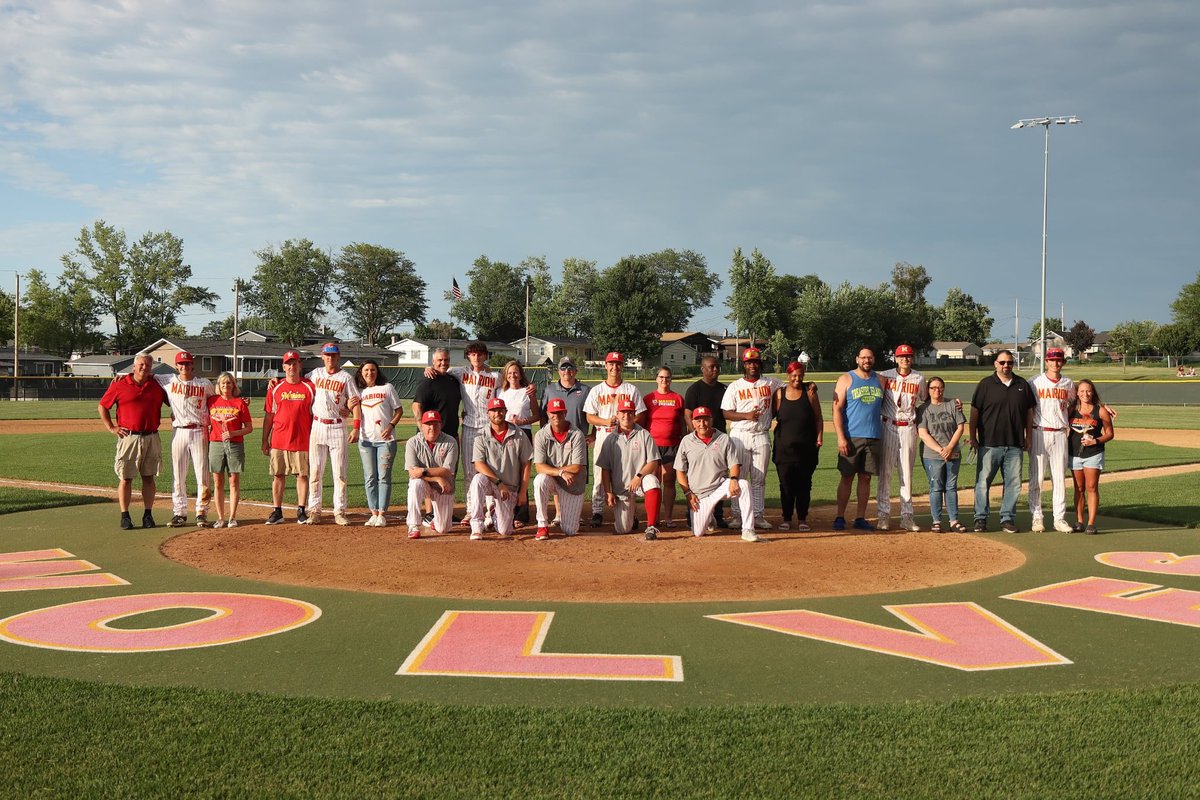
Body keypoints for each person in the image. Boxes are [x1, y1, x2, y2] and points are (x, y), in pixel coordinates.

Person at [98, 352, 170, 530]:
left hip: (152, 436)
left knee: (149, 477)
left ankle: (148, 514)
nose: (144, 368)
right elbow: (102, 406)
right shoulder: (120, 385)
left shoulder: (158, 385)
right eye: (141, 365)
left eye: (148, 365)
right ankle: (125, 516)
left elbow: (175, 399)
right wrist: (111, 427)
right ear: (134, 366)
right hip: (128, 436)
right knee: (126, 478)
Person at [968, 350, 1035, 533]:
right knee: (983, 483)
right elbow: (975, 412)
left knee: (1013, 483)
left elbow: (1029, 412)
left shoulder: (1022, 384)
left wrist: (1028, 436)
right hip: (989, 443)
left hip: (1014, 444)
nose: (1006, 366)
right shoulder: (986, 384)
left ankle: (1007, 518)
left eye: (1010, 363)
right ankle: (980, 518)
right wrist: (973, 436)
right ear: (995, 364)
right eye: (1003, 362)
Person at [674, 406, 764, 542]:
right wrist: (687, 493)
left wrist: (733, 479)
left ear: (711, 420)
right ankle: (710, 517)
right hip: (699, 495)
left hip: (720, 486)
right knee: (698, 532)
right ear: (693, 423)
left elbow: (734, 464)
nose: (702, 424)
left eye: (705, 420)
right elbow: (680, 471)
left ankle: (748, 529)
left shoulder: (723, 438)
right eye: (698, 421)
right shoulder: (686, 441)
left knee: (744, 484)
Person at [721, 348, 783, 530]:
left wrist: (808, 385)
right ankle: (738, 516)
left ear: (760, 364)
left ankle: (758, 515)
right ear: (744, 365)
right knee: (738, 477)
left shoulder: (770, 382)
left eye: (755, 362)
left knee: (759, 478)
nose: (752, 365)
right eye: (749, 363)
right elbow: (726, 413)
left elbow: (788, 386)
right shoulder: (735, 386)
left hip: (761, 434)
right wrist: (746, 415)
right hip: (740, 435)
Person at [584, 352, 646, 527]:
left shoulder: (630, 389)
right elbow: (589, 417)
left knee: (626, 473)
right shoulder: (597, 390)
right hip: (604, 434)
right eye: (611, 363)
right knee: (599, 473)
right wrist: (605, 421)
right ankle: (597, 511)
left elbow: (641, 413)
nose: (614, 367)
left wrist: (628, 424)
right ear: (605, 365)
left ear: (622, 366)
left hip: (625, 435)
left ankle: (630, 511)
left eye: (618, 364)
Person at [304, 342, 362, 526]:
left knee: (340, 473)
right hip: (318, 426)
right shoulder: (314, 374)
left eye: (333, 355)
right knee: (315, 472)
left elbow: (355, 402)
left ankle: (340, 511)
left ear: (339, 357)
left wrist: (355, 426)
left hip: (338, 427)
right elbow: (296, 382)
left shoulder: (346, 377)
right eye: (327, 355)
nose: (330, 358)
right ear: (322, 356)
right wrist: (276, 381)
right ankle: (314, 510)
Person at [159, 351, 215, 528]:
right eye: (181, 364)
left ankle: (201, 512)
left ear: (193, 365)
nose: (184, 367)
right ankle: (180, 512)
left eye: (187, 364)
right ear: (176, 366)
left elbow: (215, 401)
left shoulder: (204, 384)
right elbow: (143, 375)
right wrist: (123, 378)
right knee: (178, 475)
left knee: (203, 475)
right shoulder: (168, 380)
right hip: (179, 432)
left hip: (199, 431)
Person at [876, 344, 927, 532]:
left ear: (911, 358)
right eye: (901, 356)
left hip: (908, 428)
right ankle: (883, 515)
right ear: (895, 358)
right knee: (885, 473)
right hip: (888, 425)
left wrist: (950, 402)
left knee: (906, 474)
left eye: (908, 356)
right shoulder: (885, 375)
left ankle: (907, 516)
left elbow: (926, 399)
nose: (905, 359)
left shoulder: (919, 378)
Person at [832, 347, 884, 532]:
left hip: (874, 435)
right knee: (847, 476)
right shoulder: (846, 379)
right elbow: (837, 409)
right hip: (852, 436)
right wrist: (841, 437)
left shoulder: (880, 380)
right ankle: (840, 516)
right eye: (863, 357)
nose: (866, 360)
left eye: (869, 357)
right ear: (857, 359)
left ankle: (860, 517)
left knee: (866, 478)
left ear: (874, 359)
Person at [467, 397, 533, 540]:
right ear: (488, 413)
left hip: (510, 488)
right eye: (494, 410)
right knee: (478, 479)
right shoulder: (481, 435)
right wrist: (498, 483)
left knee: (505, 531)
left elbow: (526, 464)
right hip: (491, 482)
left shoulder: (519, 434)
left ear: (505, 411)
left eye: (500, 410)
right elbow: (478, 464)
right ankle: (477, 525)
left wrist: (522, 493)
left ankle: (493, 513)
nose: (497, 413)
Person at [261, 350, 315, 525]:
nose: (291, 367)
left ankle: (301, 510)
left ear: (300, 366)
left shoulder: (310, 387)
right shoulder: (275, 387)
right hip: (279, 440)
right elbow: (269, 416)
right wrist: (264, 440)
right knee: (278, 475)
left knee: (302, 476)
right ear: (283, 367)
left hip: (302, 439)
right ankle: (277, 511)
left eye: (294, 363)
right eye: (288, 364)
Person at [597, 397, 663, 540]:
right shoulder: (610, 439)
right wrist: (608, 492)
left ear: (634, 415)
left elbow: (653, 462)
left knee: (652, 481)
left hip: (640, 482)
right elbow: (605, 469)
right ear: (618, 414)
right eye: (623, 412)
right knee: (623, 529)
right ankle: (632, 517)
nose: (626, 416)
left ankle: (651, 526)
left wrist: (639, 477)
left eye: (630, 413)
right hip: (621, 490)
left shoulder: (644, 434)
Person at [1028, 347, 1076, 533]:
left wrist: (1065, 421)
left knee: (1059, 479)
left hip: (1059, 434)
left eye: (1059, 360)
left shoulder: (1068, 383)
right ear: (1046, 361)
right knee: (1037, 479)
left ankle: (1059, 518)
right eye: (1051, 360)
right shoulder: (1034, 382)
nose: (1055, 363)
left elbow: (1072, 404)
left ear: (1063, 362)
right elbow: (1028, 409)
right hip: (1039, 431)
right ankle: (1037, 517)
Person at [771, 359, 822, 531]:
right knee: (785, 485)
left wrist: (819, 438)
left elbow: (818, 418)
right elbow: (770, 415)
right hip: (783, 449)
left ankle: (802, 518)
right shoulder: (779, 394)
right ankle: (786, 518)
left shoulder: (810, 393)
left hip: (806, 448)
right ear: (788, 375)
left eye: (800, 376)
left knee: (804, 484)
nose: (797, 379)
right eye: (794, 375)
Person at [683, 354, 731, 529]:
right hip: (699, 440)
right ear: (702, 369)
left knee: (719, 476)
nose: (715, 369)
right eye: (711, 367)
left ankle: (717, 515)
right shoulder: (694, 389)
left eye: (717, 366)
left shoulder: (724, 389)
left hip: (718, 439)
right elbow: (688, 414)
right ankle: (691, 511)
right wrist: (696, 433)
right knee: (695, 477)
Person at [532, 398, 588, 539]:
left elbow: (577, 467)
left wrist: (554, 470)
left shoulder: (576, 434)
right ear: (548, 413)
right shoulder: (541, 435)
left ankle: (565, 514)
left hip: (572, 484)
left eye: (559, 412)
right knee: (540, 480)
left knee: (570, 530)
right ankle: (542, 525)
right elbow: (539, 467)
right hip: (554, 478)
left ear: (565, 413)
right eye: (553, 413)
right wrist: (561, 472)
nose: (556, 416)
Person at [916, 376, 967, 533]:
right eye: (933, 388)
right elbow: (923, 434)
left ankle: (954, 520)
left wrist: (950, 447)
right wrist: (941, 450)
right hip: (932, 454)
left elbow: (960, 427)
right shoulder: (923, 409)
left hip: (953, 453)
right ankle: (936, 521)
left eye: (939, 387)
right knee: (936, 487)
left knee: (951, 487)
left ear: (943, 389)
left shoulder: (952, 404)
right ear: (928, 390)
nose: (936, 390)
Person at [357, 359, 404, 527]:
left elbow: (399, 410)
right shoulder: (359, 391)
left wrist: (391, 425)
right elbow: (350, 409)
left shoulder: (387, 388)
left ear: (377, 372)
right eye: (366, 370)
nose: (370, 373)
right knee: (370, 477)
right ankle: (373, 513)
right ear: (361, 373)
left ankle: (382, 513)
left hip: (386, 441)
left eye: (373, 370)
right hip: (366, 441)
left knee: (383, 477)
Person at [206, 372, 252, 529]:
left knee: (233, 481)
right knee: (218, 482)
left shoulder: (240, 403)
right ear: (218, 385)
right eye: (223, 383)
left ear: (234, 385)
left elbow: (249, 428)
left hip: (234, 444)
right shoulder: (212, 401)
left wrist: (234, 433)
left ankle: (232, 517)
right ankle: (220, 517)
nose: (226, 386)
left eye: (229, 383)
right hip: (216, 444)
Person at [498, 359, 541, 526]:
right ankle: (506, 511)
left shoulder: (528, 391)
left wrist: (522, 422)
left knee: (523, 471)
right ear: (505, 375)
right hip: (506, 433)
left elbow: (537, 416)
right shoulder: (501, 393)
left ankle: (521, 514)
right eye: (509, 373)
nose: (512, 375)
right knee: (508, 472)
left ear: (521, 374)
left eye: (515, 372)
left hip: (524, 432)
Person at [1069, 379, 1115, 534]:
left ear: (1093, 392)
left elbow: (1110, 434)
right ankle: (1079, 521)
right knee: (1079, 488)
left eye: (1088, 391)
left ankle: (1091, 523)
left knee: (1091, 487)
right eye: (1081, 391)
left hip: (1093, 453)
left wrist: (1095, 441)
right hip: (1075, 453)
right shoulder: (1071, 409)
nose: (1085, 394)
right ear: (1077, 393)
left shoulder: (1100, 410)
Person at [404, 410, 459, 539]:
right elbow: (412, 473)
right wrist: (436, 477)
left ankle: (435, 521)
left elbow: (447, 470)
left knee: (444, 529)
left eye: (435, 424)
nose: (432, 428)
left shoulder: (450, 442)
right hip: (426, 483)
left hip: (443, 487)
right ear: (422, 426)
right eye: (428, 424)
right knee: (415, 483)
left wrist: (423, 471)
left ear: (441, 425)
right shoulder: (413, 442)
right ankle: (413, 525)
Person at [645, 366, 686, 528]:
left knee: (669, 481)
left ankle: (668, 517)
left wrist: (684, 439)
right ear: (656, 379)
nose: (664, 380)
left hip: (672, 445)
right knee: (654, 481)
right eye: (661, 377)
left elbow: (682, 422)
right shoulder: (649, 398)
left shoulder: (677, 398)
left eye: (667, 377)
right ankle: (653, 518)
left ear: (671, 379)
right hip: (653, 446)